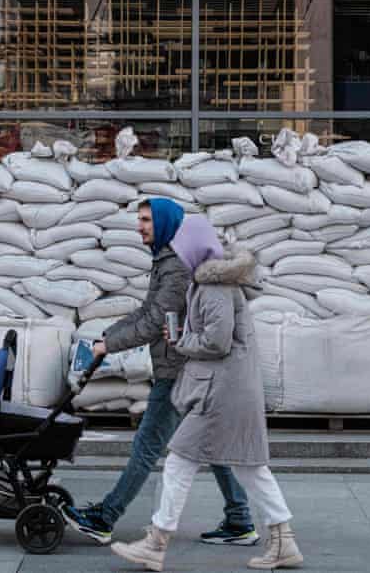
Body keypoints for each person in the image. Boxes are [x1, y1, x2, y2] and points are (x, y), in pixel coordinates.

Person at [110, 215, 304, 572]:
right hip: (228, 390)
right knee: (249, 468)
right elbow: (217, 333)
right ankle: (283, 541)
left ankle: (156, 543)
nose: (176, 254)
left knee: (179, 462)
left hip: (221, 393)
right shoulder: (209, 282)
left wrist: (183, 340)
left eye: (180, 248)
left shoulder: (213, 285)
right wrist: (187, 333)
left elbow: (217, 340)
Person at [64, 198, 259, 547]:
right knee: (209, 444)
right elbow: (148, 310)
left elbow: (156, 322)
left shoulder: (174, 266)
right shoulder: (165, 260)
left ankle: (105, 518)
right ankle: (240, 519)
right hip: (183, 366)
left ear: (165, 223)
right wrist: (111, 333)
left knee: (147, 444)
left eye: (146, 220)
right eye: (139, 219)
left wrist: (111, 346)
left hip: (177, 370)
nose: (140, 226)